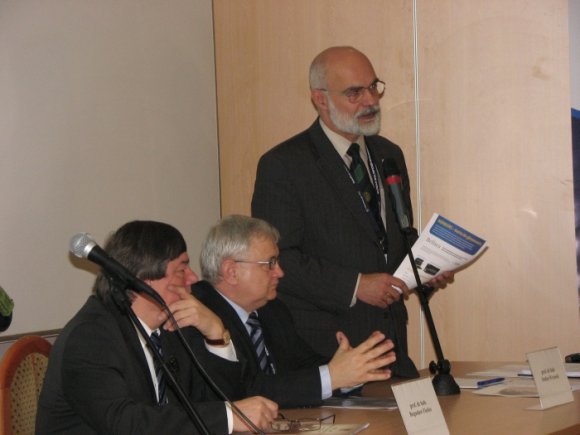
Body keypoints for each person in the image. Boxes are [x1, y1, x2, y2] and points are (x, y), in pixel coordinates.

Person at [251, 46, 453, 378]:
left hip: (390, 346)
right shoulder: (285, 165)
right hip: (324, 351)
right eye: (355, 93)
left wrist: (426, 268)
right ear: (320, 99)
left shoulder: (389, 154)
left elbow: (391, 240)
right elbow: (278, 259)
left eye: (374, 87)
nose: (371, 100)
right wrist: (355, 285)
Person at [36, 220, 277, 434]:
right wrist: (228, 417)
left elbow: (214, 400)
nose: (193, 278)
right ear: (145, 280)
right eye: (181, 269)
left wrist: (216, 333)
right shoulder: (90, 337)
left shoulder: (167, 330)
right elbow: (126, 424)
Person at [186, 214, 396, 408]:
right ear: (231, 272)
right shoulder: (200, 316)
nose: (280, 272)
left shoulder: (273, 310)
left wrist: (352, 369)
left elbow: (303, 366)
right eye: (270, 263)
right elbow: (245, 390)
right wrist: (331, 377)